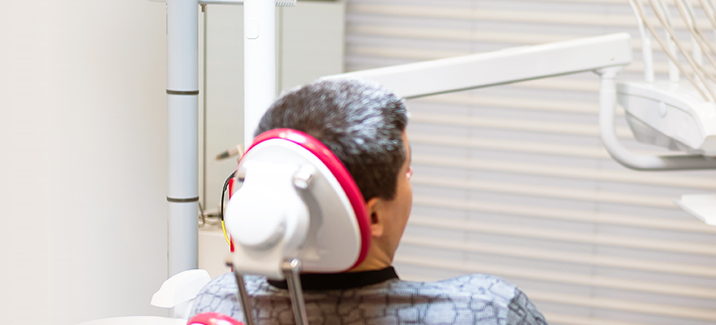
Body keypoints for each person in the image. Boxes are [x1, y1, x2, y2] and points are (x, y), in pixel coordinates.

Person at [189, 78, 548, 325]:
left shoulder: (222, 303)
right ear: (373, 215)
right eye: (408, 170)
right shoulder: (486, 310)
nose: (411, 180)